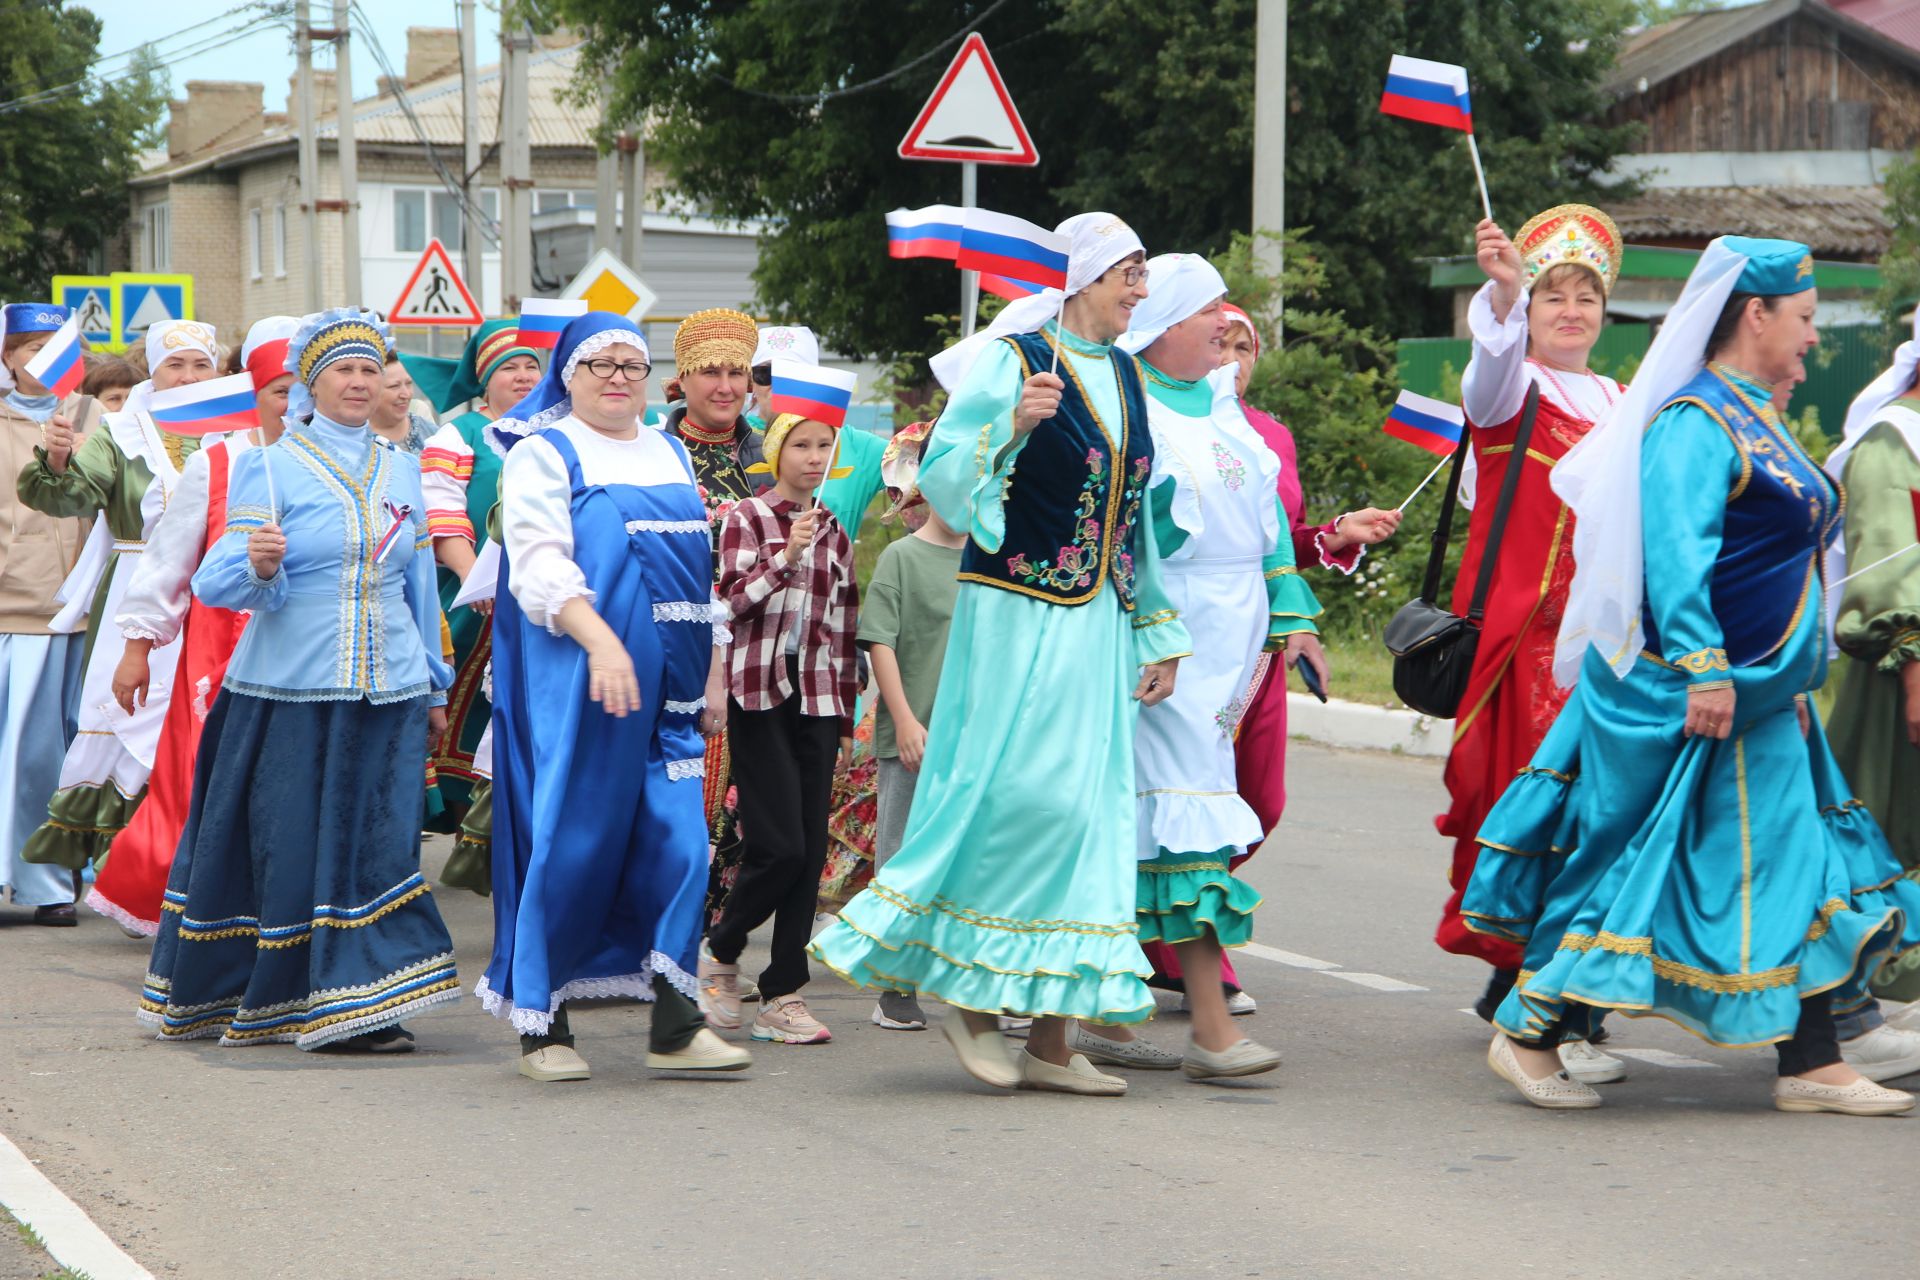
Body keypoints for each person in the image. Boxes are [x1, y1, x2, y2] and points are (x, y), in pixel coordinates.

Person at [1463, 236, 1920, 1115]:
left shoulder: (1757, 411)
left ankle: (1813, 1059)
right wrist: (1706, 671)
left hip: (1767, 694)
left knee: (1802, 864)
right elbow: (1675, 557)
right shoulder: (1695, 422)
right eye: (1807, 318)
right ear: (1756, 315)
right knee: (1641, 869)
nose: (1815, 338)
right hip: (1694, 695)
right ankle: (1528, 1032)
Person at [810, 212, 1189, 1096]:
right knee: (1014, 799)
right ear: (1085, 277)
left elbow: (1132, 519)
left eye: (1141, 274)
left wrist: (1159, 627)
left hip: (1096, 622)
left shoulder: (1131, 375)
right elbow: (940, 475)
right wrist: (1011, 430)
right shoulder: (1014, 360)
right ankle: (970, 1000)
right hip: (1017, 612)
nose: (1140, 290)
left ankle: (1053, 1041)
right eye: (1129, 273)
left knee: (1089, 817)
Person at [140, 308, 458, 1050]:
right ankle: (295, 996)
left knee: (379, 845)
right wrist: (259, 564)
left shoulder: (403, 467)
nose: (358, 382)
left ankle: (363, 995)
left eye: (368, 370)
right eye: (342, 370)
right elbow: (216, 577)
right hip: (291, 690)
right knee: (295, 846)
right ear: (312, 385)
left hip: (389, 687)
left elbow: (416, 588)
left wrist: (435, 688)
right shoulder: (271, 465)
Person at [479, 311, 752, 1081]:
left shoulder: (667, 448)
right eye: (601, 365)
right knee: (573, 842)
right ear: (569, 377)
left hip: (669, 692)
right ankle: (544, 1023)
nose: (618, 378)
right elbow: (536, 565)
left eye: (632, 365)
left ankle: (675, 1021)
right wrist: (600, 643)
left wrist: (712, 671)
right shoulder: (544, 453)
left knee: (681, 847)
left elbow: (694, 576)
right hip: (580, 686)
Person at [1074, 254, 1323, 1081]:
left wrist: (1289, 617)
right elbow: (1124, 529)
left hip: (1232, 637)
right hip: (1164, 632)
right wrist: (1154, 624)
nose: (1226, 319)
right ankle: (1211, 1028)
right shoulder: (1127, 400)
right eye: (1207, 306)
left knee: (1149, 817)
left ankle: (1095, 1017)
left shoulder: (1223, 405)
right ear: (1165, 323)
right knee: (1185, 817)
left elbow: (1269, 528)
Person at [1143, 302, 1401, 1012]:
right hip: (1178, 635)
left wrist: (1335, 539)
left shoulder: (1267, 435)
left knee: (1259, 801)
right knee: (1176, 796)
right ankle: (1188, 954)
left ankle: (1173, 929)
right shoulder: (1151, 414)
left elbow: (1277, 537)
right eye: (1216, 340)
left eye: (1242, 345)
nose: (1229, 356)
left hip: (1256, 645)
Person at [1439, 206, 1628, 1076]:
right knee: (1529, 805)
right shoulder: (1516, 389)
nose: (1572, 310)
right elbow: (1485, 383)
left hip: (1603, 645)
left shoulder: (1625, 403)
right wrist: (1504, 298)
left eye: (1586, 296)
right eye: (1555, 294)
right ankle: (1525, 979)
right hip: (1525, 639)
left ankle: (1561, 979)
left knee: (1598, 812)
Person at [87, 317, 299, 936]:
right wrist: (136, 652)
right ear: (250, 388)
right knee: (196, 778)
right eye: (281, 389)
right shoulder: (219, 461)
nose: (295, 404)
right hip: (218, 650)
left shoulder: (339, 458)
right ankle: (186, 901)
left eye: (301, 388)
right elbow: (168, 564)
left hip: (309, 648)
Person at [15, 319, 217, 873]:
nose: (188, 376)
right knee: (131, 720)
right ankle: (132, 865)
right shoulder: (123, 430)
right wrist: (57, 462)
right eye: (174, 365)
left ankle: (202, 864)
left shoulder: (237, 430)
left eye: (201, 363)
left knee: (204, 722)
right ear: (152, 370)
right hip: (137, 585)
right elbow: (72, 496)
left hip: (219, 597)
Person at [700, 411, 859, 1046]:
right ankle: (723, 945)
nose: (814, 457)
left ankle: (784, 991)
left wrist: (845, 713)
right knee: (779, 845)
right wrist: (787, 557)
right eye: (801, 445)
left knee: (811, 849)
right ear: (776, 452)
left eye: (824, 447)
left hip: (817, 699)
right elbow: (731, 602)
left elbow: (843, 626)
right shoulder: (746, 516)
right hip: (759, 693)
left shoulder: (837, 529)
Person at [1823, 313, 1920, 1017]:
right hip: (1902, 675)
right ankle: (1857, 1006)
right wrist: (1914, 663)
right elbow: (1889, 564)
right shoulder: (1894, 440)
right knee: (1891, 822)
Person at [660, 308, 765, 930]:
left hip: (759, 653)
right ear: (683, 379)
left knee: (744, 808)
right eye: (710, 373)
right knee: (683, 798)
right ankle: (669, 940)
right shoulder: (657, 454)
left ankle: (713, 946)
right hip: (680, 649)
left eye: (737, 372)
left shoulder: (768, 454)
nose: (725, 386)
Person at [419, 320, 542, 834]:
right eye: (507, 367)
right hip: (475, 598)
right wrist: (479, 583)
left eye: (531, 365)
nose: (521, 377)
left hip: (545, 598)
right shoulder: (461, 433)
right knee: (464, 707)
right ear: (484, 379)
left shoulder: (564, 430)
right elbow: (442, 515)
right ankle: (465, 817)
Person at [0, 304, 102, 923]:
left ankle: (53, 879)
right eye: (29, 347)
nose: (42, 360)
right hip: (15, 610)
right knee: (19, 751)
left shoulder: (98, 418)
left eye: (56, 347)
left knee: (64, 753)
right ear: (8, 357)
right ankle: (26, 878)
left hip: (84, 610)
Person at [854, 419, 957, 1031]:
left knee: (971, 859)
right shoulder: (903, 556)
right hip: (913, 738)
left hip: (974, 739)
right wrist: (905, 721)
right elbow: (880, 643)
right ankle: (894, 986)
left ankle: (981, 982)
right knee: (900, 857)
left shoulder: (993, 562)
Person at [750, 325, 888, 539]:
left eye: (792, 373)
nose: (778, 382)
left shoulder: (856, 445)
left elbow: (925, 459)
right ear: (751, 382)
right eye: (764, 373)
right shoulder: (731, 439)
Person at [372, 353, 434, 454]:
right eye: (394, 386)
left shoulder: (431, 435)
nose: (406, 394)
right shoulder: (353, 440)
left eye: (409, 384)